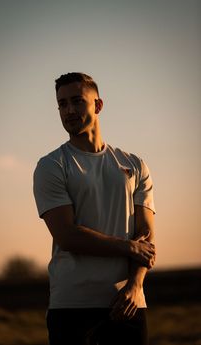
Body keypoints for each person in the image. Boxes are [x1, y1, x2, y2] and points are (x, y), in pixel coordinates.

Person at [33, 72, 156, 345]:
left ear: (98, 105)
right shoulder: (52, 166)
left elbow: (145, 237)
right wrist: (127, 247)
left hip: (129, 304)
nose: (69, 110)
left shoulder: (134, 164)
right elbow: (67, 236)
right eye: (62, 104)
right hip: (72, 307)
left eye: (77, 101)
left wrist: (135, 287)